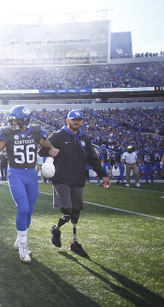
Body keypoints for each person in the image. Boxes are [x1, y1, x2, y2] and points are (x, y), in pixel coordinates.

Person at [0, 105, 59, 264]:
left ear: (26, 119)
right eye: (12, 120)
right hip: (16, 173)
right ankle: (23, 245)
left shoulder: (35, 131)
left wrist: (52, 151)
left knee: (30, 209)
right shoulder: (6, 133)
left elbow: (47, 145)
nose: (14, 123)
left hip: (31, 173)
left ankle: (19, 239)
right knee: (23, 208)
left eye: (18, 120)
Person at [40, 109, 110, 258]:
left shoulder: (85, 138)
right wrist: (49, 151)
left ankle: (74, 242)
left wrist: (103, 175)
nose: (76, 122)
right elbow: (42, 151)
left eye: (79, 120)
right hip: (61, 179)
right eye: (74, 120)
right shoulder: (58, 136)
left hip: (78, 179)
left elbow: (93, 158)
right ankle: (56, 228)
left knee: (75, 213)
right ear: (68, 121)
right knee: (67, 209)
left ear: (82, 121)